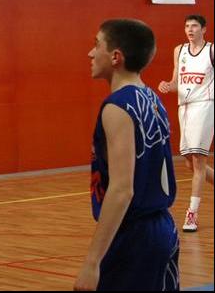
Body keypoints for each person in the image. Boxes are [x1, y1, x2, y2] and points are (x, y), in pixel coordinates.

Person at [75, 19, 178, 291]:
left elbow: (122, 190)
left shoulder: (118, 107)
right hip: (161, 229)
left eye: (97, 45)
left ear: (116, 56)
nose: (91, 53)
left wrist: (91, 262)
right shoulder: (152, 98)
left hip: (135, 237)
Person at [158, 15, 214, 233]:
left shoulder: (210, 51)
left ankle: (192, 214)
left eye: (194, 26)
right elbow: (176, 81)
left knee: (199, 161)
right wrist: (167, 85)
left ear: (204, 30)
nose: (190, 30)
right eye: (187, 26)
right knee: (190, 163)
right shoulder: (179, 51)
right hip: (185, 107)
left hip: (205, 105)